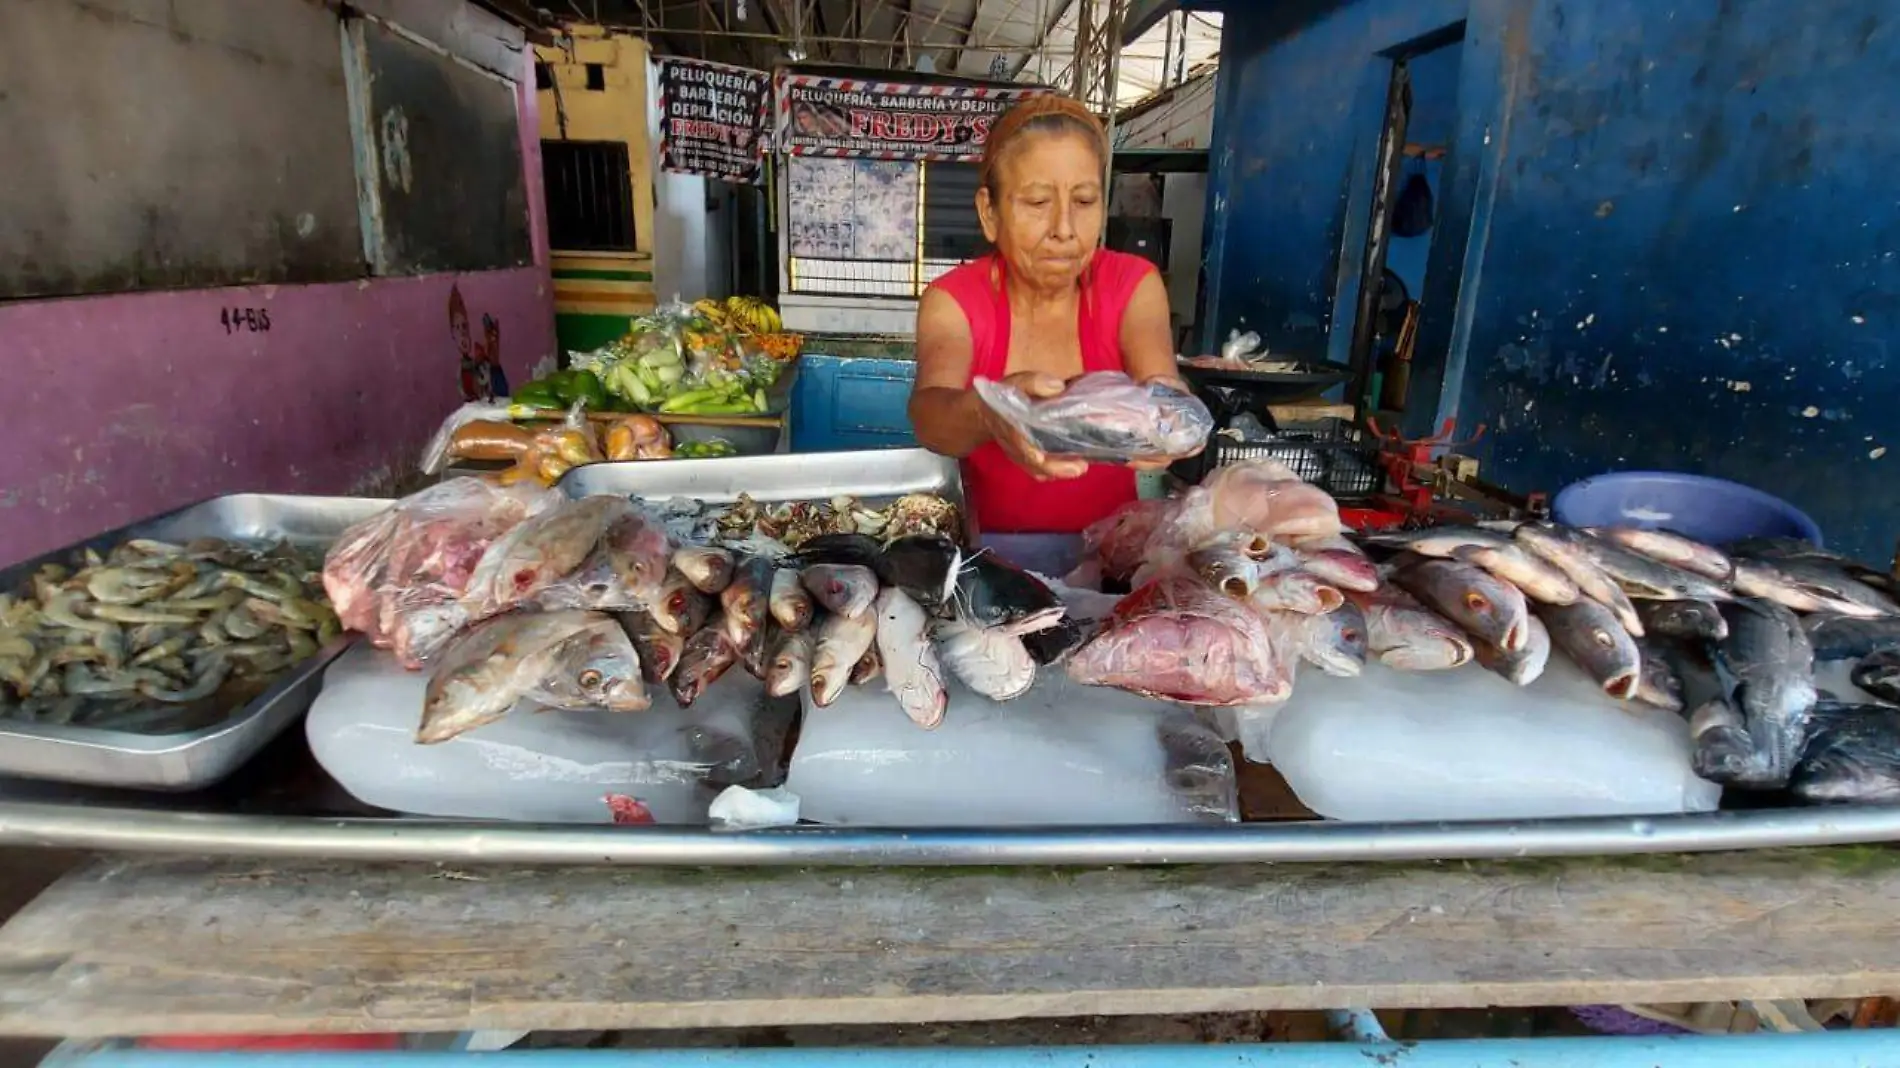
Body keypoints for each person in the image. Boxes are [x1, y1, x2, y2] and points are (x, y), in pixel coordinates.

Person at [908, 95, 1189, 534]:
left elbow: (1161, 385)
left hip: (1109, 556)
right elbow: (931, 418)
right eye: (1038, 203)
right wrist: (988, 411)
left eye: (1083, 200)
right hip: (988, 559)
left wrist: (1170, 412)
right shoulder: (954, 299)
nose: (1064, 229)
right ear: (990, 212)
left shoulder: (1132, 284)